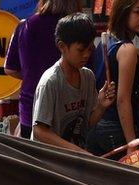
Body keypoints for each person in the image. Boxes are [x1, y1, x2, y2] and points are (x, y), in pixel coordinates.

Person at [31, 13, 116, 152]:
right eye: (81, 50)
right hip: (48, 162)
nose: (86, 55)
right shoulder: (51, 81)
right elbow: (39, 131)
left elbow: (87, 124)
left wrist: (101, 106)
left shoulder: (88, 77)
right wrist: (76, 151)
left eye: (89, 49)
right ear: (62, 46)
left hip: (73, 160)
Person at [4, 0, 83, 139]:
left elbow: (10, 68)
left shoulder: (25, 25)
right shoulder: (78, 28)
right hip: (69, 109)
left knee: (32, 157)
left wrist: (32, 75)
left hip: (31, 108)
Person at [86, 0, 139, 157]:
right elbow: (122, 100)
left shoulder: (105, 41)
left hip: (96, 125)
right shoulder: (127, 50)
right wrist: (131, 143)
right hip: (115, 127)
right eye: (137, 12)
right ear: (123, 12)